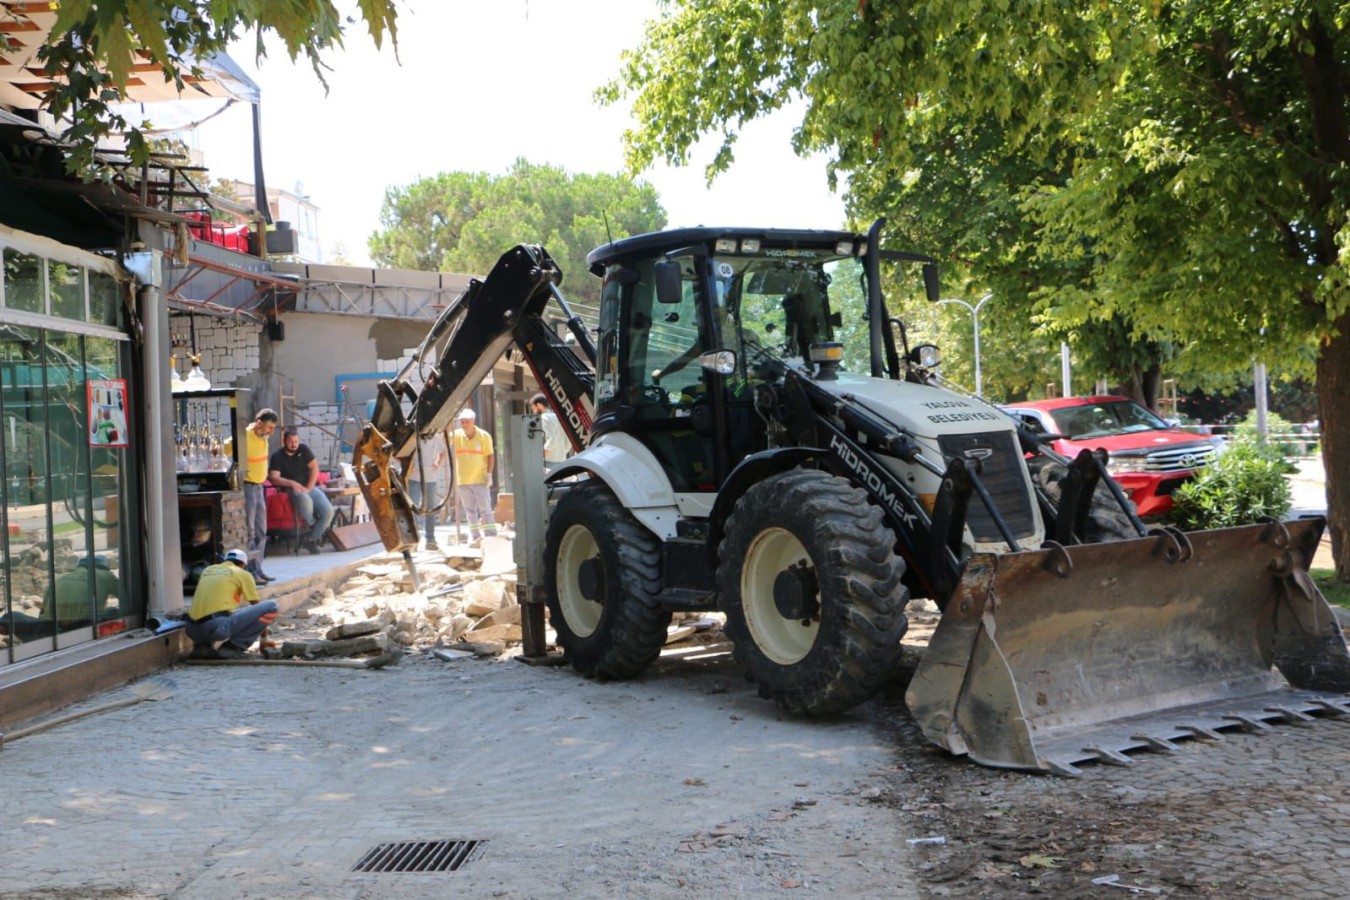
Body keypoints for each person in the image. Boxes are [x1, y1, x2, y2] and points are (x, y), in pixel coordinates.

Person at [185, 548, 278, 659]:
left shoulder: (207, 570)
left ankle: (202, 647)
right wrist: (264, 637)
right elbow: (257, 606)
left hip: (191, 629)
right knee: (272, 606)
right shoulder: (243, 574)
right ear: (243, 564)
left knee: (216, 613)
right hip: (214, 628)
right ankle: (234, 647)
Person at [268, 428, 334, 554]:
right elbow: (274, 477)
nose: (294, 444)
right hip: (290, 490)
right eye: (291, 442)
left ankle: (310, 539)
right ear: (284, 441)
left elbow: (315, 468)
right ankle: (312, 525)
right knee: (305, 499)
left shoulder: (303, 449)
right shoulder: (277, 456)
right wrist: (292, 483)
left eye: (296, 441)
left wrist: (309, 487)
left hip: (308, 487)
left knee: (329, 511)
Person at [242, 408, 278, 583]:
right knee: (250, 531)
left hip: (259, 487)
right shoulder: (244, 437)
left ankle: (258, 568)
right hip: (247, 487)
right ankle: (251, 572)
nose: (272, 431)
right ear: (259, 424)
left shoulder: (264, 437)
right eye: (270, 427)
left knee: (261, 531)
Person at [449, 408, 495, 542]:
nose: (464, 424)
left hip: (480, 480)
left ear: (473, 421)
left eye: (466, 422)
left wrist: (489, 474)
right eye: (462, 422)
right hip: (463, 481)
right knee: (470, 511)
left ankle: (491, 536)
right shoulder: (456, 435)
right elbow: (444, 437)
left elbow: (490, 456)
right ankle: (475, 537)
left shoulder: (483, 436)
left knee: (485, 509)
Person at [405, 431, 448, 552]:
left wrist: (437, 463)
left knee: (430, 509)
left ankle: (430, 539)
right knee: (412, 509)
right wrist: (408, 466)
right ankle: (413, 541)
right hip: (414, 477)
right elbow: (398, 453)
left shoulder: (434, 437)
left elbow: (443, 451)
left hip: (430, 478)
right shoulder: (413, 437)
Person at [529, 392, 570, 471]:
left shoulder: (544, 418)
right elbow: (568, 440)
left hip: (549, 463)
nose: (533, 411)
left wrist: (541, 456)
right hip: (561, 460)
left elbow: (551, 438)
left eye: (533, 408)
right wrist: (561, 453)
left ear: (539, 405)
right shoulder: (557, 416)